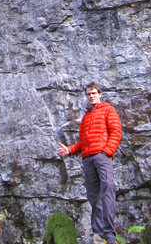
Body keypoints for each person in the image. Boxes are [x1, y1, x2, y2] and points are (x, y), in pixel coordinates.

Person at [58, 82, 122, 244]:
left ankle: (109, 233)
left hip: (102, 156)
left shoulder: (109, 110)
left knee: (107, 189)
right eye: (88, 94)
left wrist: (107, 151)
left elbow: (116, 131)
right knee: (94, 196)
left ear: (100, 94)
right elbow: (82, 142)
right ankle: (98, 232)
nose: (91, 96)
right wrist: (69, 150)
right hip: (87, 159)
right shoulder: (86, 117)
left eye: (94, 93)